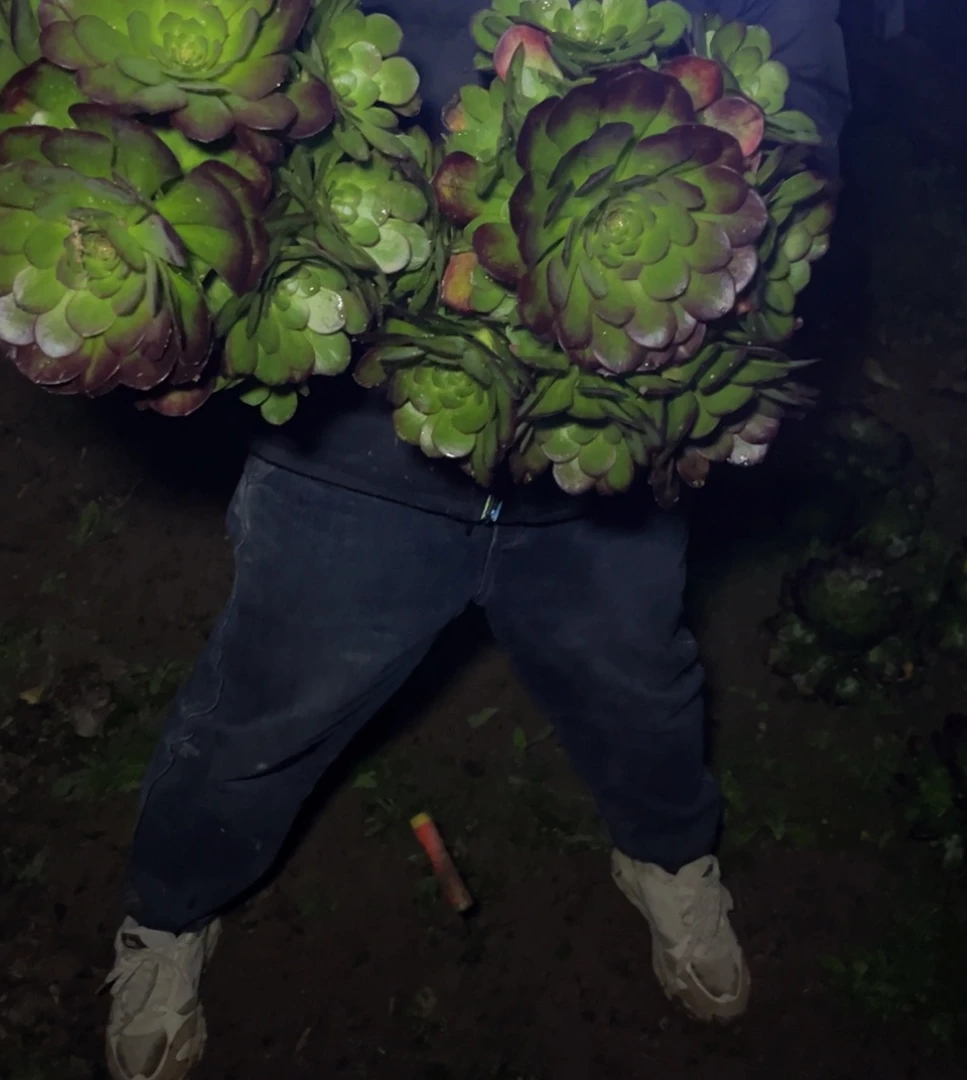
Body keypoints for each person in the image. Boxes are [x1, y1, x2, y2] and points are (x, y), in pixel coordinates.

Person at [102, 3, 850, 1078]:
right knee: (264, 701)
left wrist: (742, 185)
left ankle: (669, 858)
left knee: (640, 687)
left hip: (607, 463)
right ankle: (167, 912)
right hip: (357, 450)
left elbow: (807, 82)